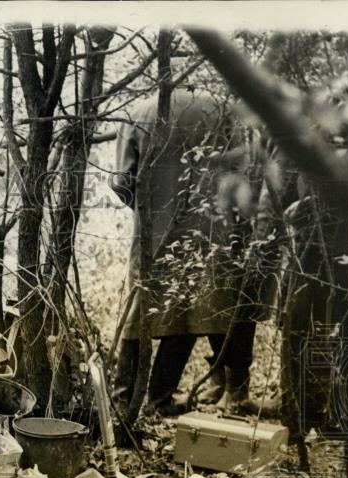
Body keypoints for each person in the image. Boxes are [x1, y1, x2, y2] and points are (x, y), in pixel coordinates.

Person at [110, 89, 258, 417]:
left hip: (154, 235)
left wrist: (145, 210)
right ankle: (188, 397)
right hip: (212, 231)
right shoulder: (222, 109)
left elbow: (120, 182)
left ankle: (127, 400)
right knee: (200, 310)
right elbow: (244, 173)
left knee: (144, 313)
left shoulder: (139, 112)